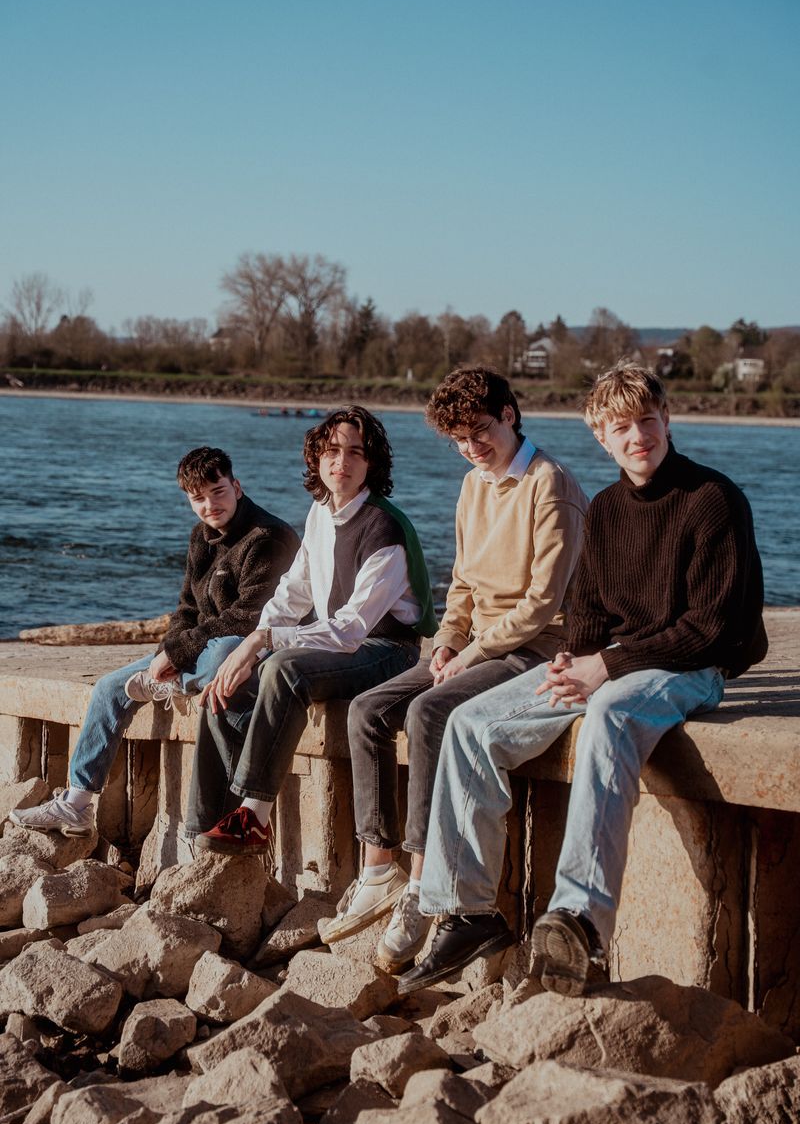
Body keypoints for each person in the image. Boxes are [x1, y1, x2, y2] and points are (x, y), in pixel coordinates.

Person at [397, 363, 768, 995]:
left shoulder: (712, 499)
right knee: (468, 723)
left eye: (646, 422)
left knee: (610, 714)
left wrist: (606, 668)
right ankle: (468, 910)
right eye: (620, 428)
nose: (637, 438)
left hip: (692, 666)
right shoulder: (604, 509)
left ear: (667, 420)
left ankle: (580, 920)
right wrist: (575, 661)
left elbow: (712, 627)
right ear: (602, 436)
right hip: (616, 660)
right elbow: (590, 617)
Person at [320, 368, 589, 974]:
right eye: (459, 439)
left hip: (534, 649)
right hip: (476, 646)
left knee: (430, 710)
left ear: (511, 415)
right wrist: (445, 642)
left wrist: (470, 655)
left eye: (480, 432)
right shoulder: (473, 484)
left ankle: (420, 883)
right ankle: (379, 868)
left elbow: (543, 605)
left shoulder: (552, 486)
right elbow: (463, 582)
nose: (471, 447)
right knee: (367, 711)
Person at [186, 405, 438, 855]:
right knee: (224, 683)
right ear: (316, 459)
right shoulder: (321, 510)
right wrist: (249, 645)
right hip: (342, 643)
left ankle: (255, 818)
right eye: (333, 451)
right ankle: (202, 826)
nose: (342, 461)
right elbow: (293, 591)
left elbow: (350, 631)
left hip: (386, 649)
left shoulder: (385, 529)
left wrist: (264, 642)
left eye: (356, 453)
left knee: (282, 669)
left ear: (371, 464)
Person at [11, 446, 300, 838]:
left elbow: (249, 616)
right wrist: (170, 651)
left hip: (257, 649)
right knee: (109, 688)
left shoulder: (269, 537)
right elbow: (186, 609)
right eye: (198, 498)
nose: (209, 505)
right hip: (202, 647)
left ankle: (171, 681)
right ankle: (77, 803)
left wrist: (180, 654)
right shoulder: (201, 537)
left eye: (218, 492)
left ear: (236, 486)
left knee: (223, 655)